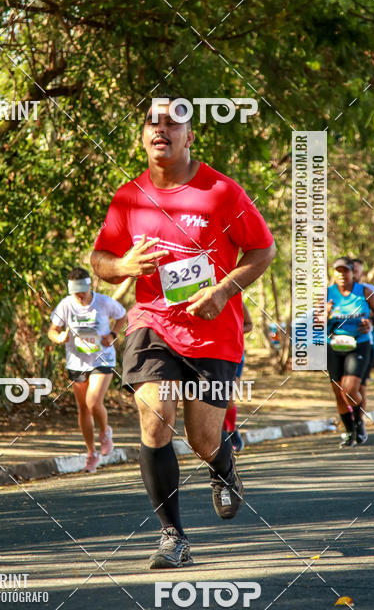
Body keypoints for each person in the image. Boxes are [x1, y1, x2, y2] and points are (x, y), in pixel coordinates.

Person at [90, 98, 276, 569]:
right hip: (154, 323)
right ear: (142, 136)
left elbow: (262, 250)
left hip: (215, 333)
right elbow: (100, 262)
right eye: (152, 121)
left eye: (173, 122)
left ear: (190, 136)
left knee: (202, 439)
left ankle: (223, 465)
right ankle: (172, 535)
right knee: (155, 416)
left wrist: (223, 290)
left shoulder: (221, 192)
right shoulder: (129, 196)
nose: (161, 128)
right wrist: (123, 266)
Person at [48, 267, 127, 473]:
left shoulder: (103, 302)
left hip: (102, 359)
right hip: (76, 362)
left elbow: (122, 316)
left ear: (89, 287)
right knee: (83, 407)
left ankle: (105, 432)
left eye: (82, 292)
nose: (80, 297)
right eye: (76, 293)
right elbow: (52, 330)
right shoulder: (65, 305)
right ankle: (91, 453)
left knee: (93, 402)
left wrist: (112, 335)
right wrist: (59, 338)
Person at [326, 257, 374, 447]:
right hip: (334, 346)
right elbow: (315, 324)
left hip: (359, 344)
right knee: (338, 393)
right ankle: (350, 431)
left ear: (352, 273)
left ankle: (359, 422)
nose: (342, 275)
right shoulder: (327, 294)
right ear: (334, 274)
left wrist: (372, 321)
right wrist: (324, 315)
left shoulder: (364, 292)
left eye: (346, 271)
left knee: (349, 390)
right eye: (338, 271)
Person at [351, 257, 374, 441]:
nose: (354, 273)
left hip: (364, 343)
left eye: (357, 270)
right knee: (342, 386)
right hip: (338, 345)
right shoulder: (331, 292)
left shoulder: (368, 290)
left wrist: (370, 321)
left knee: (360, 386)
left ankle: (359, 421)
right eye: (352, 270)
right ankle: (350, 421)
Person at [223, 299, 253, 452]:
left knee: (228, 398)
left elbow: (249, 325)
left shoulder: (237, 300)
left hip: (234, 356)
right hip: (209, 355)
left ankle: (231, 431)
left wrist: (233, 329)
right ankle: (219, 432)